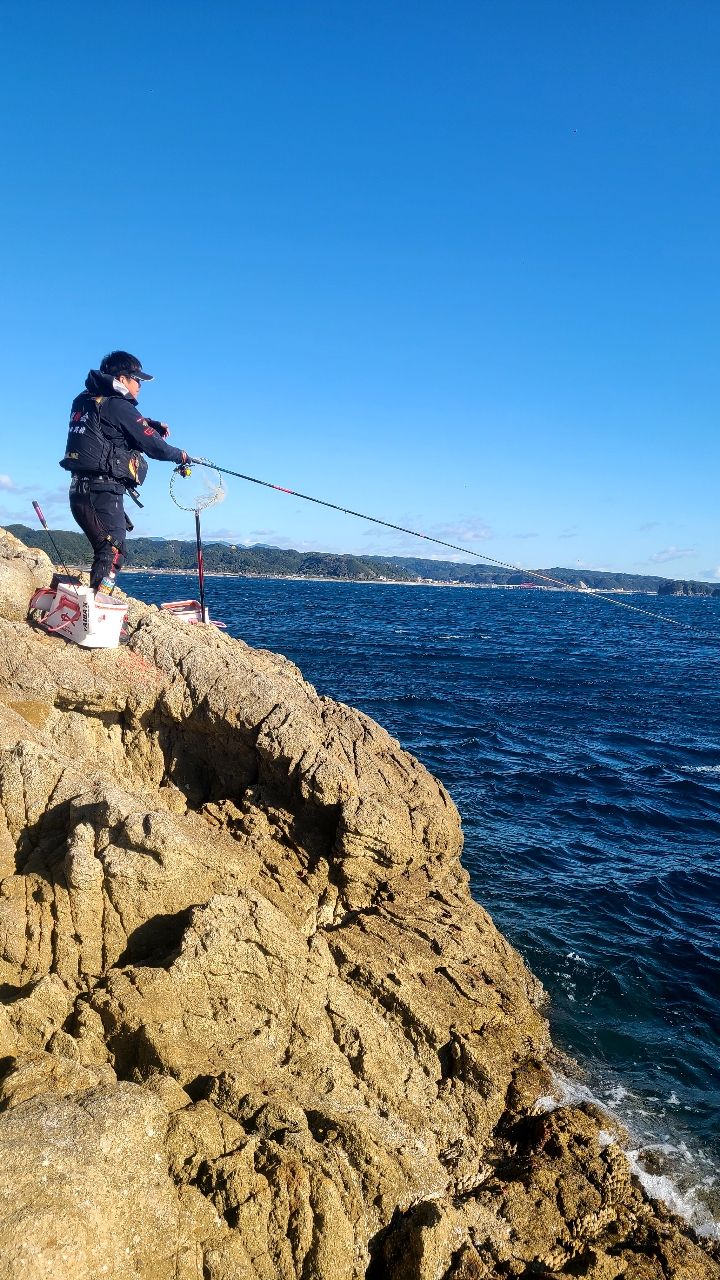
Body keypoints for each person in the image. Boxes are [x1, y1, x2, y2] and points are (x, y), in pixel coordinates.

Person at [61, 351, 193, 594]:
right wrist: (181, 455)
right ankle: (96, 614)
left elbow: (108, 425)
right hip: (102, 492)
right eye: (137, 379)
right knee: (112, 551)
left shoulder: (84, 399)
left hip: (80, 490)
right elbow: (156, 447)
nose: (140, 386)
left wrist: (148, 423)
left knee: (106, 549)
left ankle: (89, 605)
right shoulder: (120, 405)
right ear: (122, 379)